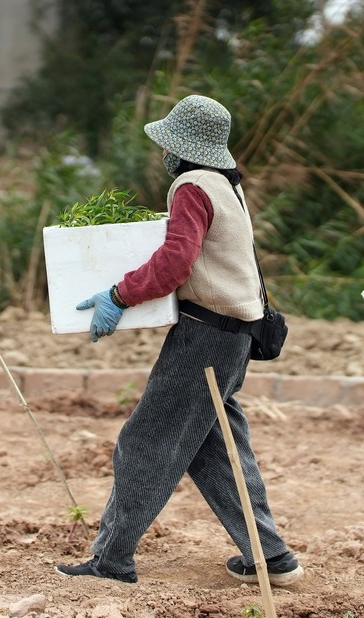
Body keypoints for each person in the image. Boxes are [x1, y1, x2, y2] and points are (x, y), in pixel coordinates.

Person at [56, 95, 303, 586]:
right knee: (218, 449)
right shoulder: (226, 185)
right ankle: (270, 557)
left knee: (144, 443)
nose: (162, 155)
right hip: (235, 337)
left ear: (180, 147)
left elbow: (175, 262)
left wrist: (118, 294)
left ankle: (113, 560)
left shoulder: (190, 185)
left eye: (166, 145)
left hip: (205, 337)